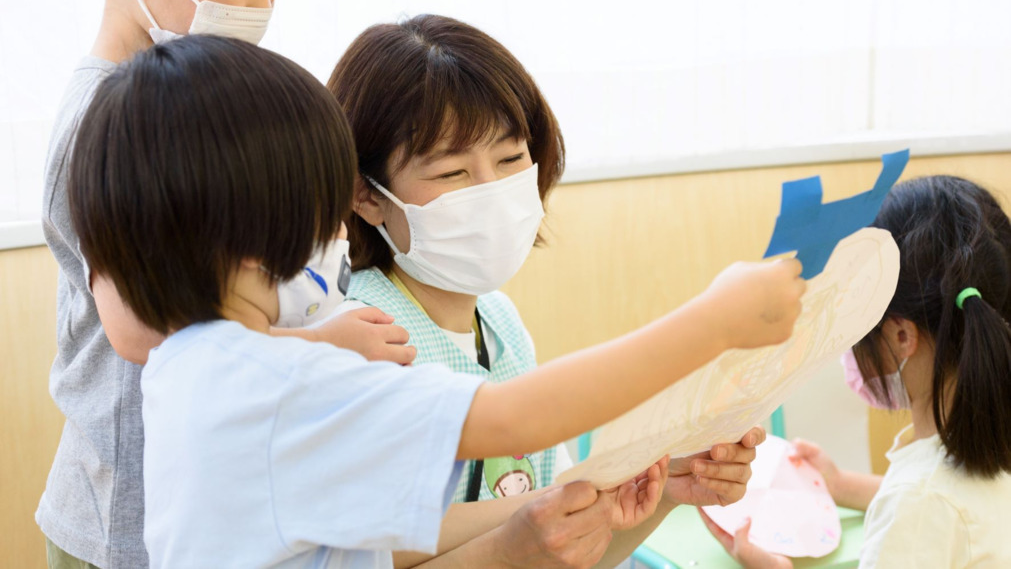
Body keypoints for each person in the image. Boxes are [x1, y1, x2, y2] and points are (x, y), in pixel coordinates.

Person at [69, 35, 804, 569]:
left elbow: (399, 533)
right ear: (261, 238)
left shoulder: (188, 366)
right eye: (325, 211)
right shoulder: (298, 380)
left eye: (509, 158)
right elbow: (515, 418)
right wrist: (716, 321)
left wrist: (625, 487)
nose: (337, 235)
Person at [326, 14, 772, 568]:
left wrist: (665, 487)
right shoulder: (359, 336)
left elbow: (565, 550)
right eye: (451, 173)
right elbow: (366, 548)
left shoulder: (501, 324)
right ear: (368, 197)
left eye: (511, 159)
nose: (492, 191)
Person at [39, 0, 406, 567]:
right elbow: (140, 332)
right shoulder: (107, 121)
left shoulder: (196, 101)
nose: (265, 2)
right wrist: (320, 347)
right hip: (127, 517)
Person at [701, 175, 1011, 568]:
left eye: (857, 324)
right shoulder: (982, 451)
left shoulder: (916, 504)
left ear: (901, 335)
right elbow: (953, 501)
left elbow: (927, 505)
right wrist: (841, 485)